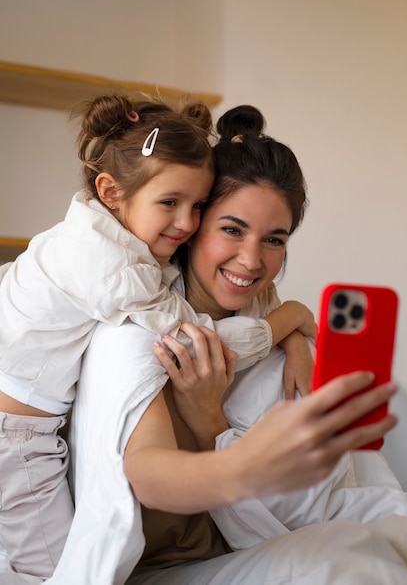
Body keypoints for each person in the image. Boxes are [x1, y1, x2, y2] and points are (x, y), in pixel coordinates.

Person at [44, 106, 407, 585]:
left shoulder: (275, 334)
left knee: (379, 538)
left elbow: (324, 502)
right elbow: (147, 473)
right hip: (167, 567)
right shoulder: (135, 330)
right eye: (232, 229)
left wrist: (295, 329)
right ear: (192, 223)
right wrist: (219, 436)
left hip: (263, 542)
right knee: (344, 562)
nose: (252, 259)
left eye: (274, 239)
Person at [0, 96, 316, 580]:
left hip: (32, 428)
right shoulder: (123, 292)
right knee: (51, 570)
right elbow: (200, 341)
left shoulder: (90, 234)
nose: (185, 223)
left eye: (275, 239)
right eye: (171, 205)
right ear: (111, 191)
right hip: (19, 438)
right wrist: (291, 318)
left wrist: (293, 336)